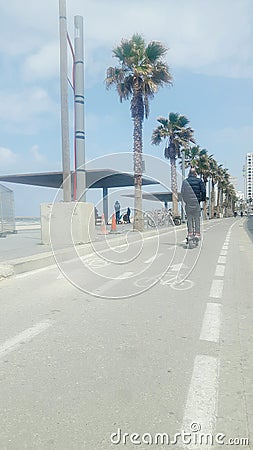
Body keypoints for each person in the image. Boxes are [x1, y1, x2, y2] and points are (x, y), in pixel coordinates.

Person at [181, 167, 206, 240]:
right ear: (195, 173)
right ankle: (197, 233)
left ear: (189, 173)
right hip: (196, 202)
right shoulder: (199, 181)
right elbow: (203, 191)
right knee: (197, 218)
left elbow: (183, 192)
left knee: (189, 218)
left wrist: (186, 200)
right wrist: (202, 199)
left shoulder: (185, 181)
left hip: (188, 203)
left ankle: (190, 233)